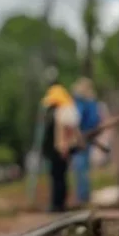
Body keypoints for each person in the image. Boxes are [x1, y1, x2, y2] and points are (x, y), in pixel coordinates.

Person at [41, 84, 81, 213]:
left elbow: (68, 132)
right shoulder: (61, 110)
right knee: (57, 176)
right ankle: (57, 203)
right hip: (57, 149)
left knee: (59, 177)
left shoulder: (65, 111)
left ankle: (58, 204)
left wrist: (64, 148)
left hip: (61, 149)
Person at [71, 77, 101, 205]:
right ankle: (84, 194)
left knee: (80, 166)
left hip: (82, 135)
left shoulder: (82, 102)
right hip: (89, 135)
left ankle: (82, 196)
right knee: (83, 166)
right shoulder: (92, 102)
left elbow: (76, 119)